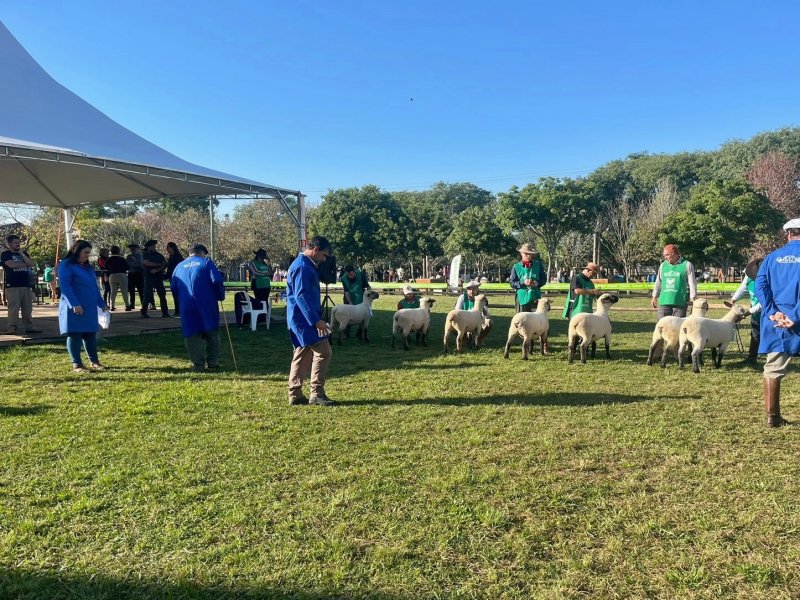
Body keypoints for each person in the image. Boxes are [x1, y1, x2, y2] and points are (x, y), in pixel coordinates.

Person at [754, 219, 800, 428]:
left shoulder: (771, 258)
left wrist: (773, 312)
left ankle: (772, 416)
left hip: (777, 321)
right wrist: (795, 315)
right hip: (795, 317)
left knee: (773, 367)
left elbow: (760, 286)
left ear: (788, 234)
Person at [286, 236, 334, 406]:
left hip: (300, 318)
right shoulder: (303, 267)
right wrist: (316, 321)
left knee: (302, 354)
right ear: (315, 249)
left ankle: (295, 393)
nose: (324, 259)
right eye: (324, 255)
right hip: (305, 320)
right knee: (324, 351)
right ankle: (317, 393)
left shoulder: (304, 265)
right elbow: (301, 296)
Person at [171, 243, 225, 372]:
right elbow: (216, 280)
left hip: (187, 305)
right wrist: (220, 295)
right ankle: (212, 362)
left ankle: (198, 365)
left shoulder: (179, 266)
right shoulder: (206, 262)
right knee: (212, 332)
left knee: (191, 335)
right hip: (206, 303)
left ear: (190, 253)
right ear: (202, 253)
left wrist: (180, 301)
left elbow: (174, 287)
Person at [57, 240, 107, 372]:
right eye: (85, 252)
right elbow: (65, 286)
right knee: (75, 334)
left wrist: (101, 303)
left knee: (90, 334)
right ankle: (77, 364)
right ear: (76, 251)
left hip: (89, 305)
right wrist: (74, 304)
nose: (87, 255)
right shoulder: (66, 265)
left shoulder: (88, 267)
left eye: (89, 253)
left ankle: (94, 361)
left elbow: (94, 287)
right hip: (74, 305)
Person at [2, 234, 40, 334]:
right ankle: (12, 327)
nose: (18, 244)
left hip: (26, 285)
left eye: (19, 242)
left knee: (27, 308)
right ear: (9, 244)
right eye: (15, 243)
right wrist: (25, 264)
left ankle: (29, 326)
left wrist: (22, 254)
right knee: (13, 308)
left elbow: (31, 264)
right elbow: (11, 265)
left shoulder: (24, 253)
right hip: (13, 285)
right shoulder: (5, 254)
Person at [651, 244, 697, 318]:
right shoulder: (663, 265)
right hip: (664, 300)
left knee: (677, 323)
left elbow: (692, 283)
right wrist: (654, 296)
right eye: (664, 255)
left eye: (667, 255)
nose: (665, 257)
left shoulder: (687, 265)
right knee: (662, 323)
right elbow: (658, 282)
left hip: (680, 301)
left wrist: (693, 298)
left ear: (675, 254)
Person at [731, 257, 763, 364]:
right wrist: (734, 299)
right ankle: (752, 358)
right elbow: (742, 288)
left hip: (767, 311)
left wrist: (747, 313)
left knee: (768, 334)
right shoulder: (749, 276)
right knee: (755, 333)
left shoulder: (769, 281)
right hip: (754, 309)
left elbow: (763, 304)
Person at [510, 243, 547, 313]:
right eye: (526, 253)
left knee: (535, 319)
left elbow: (544, 279)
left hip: (535, 297)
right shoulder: (516, 267)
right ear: (521, 253)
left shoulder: (538, 265)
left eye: (530, 254)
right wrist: (523, 282)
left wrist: (537, 283)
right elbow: (512, 283)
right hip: (521, 298)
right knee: (522, 318)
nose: (528, 256)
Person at [340, 264, 371, 339]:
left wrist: (369, 294)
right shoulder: (344, 278)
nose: (350, 276)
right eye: (348, 275)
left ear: (354, 271)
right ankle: (346, 333)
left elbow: (367, 286)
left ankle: (359, 332)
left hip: (360, 296)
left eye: (351, 274)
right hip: (349, 297)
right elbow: (346, 292)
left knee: (361, 314)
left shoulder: (361, 274)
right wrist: (350, 302)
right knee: (347, 315)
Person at [141, 239, 169, 318]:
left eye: (154, 246)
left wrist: (157, 270)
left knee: (162, 294)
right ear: (148, 247)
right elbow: (147, 263)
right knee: (147, 295)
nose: (154, 247)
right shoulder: (145, 254)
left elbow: (164, 264)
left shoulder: (159, 255)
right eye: (152, 246)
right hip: (148, 277)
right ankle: (144, 312)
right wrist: (159, 265)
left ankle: (165, 312)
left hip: (158, 277)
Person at [105, 246, 130, 311]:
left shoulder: (108, 259)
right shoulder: (122, 259)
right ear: (119, 251)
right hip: (122, 275)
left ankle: (112, 306)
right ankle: (127, 305)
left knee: (113, 292)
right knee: (124, 291)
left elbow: (106, 268)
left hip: (112, 275)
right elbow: (127, 267)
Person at [165, 242, 184, 317]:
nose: (166, 249)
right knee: (175, 294)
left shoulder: (177, 257)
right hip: (172, 277)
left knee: (177, 295)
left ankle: (179, 311)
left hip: (177, 278)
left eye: (168, 247)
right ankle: (177, 310)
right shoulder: (171, 257)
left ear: (172, 247)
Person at [125, 243, 144, 311]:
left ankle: (143, 304)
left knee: (141, 290)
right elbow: (127, 265)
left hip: (139, 274)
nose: (132, 250)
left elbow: (140, 264)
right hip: (131, 274)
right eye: (131, 249)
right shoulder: (128, 256)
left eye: (134, 249)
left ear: (137, 249)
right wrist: (135, 263)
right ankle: (132, 304)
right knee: (131, 290)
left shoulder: (140, 256)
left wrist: (134, 263)